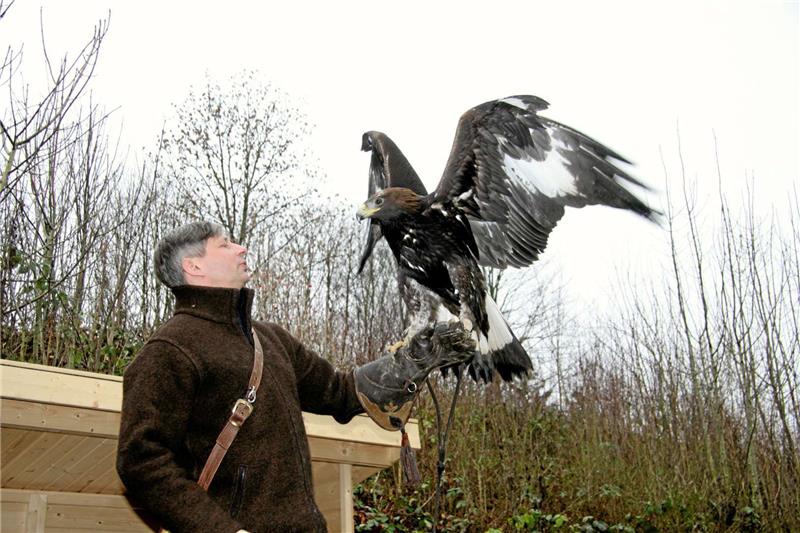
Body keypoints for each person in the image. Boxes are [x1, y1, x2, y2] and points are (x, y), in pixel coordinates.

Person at [116, 221, 473, 533]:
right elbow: (141, 461)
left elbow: (342, 392)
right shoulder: (171, 349)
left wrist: (409, 362)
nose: (240, 247)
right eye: (224, 244)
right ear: (193, 266)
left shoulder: (271, 340)